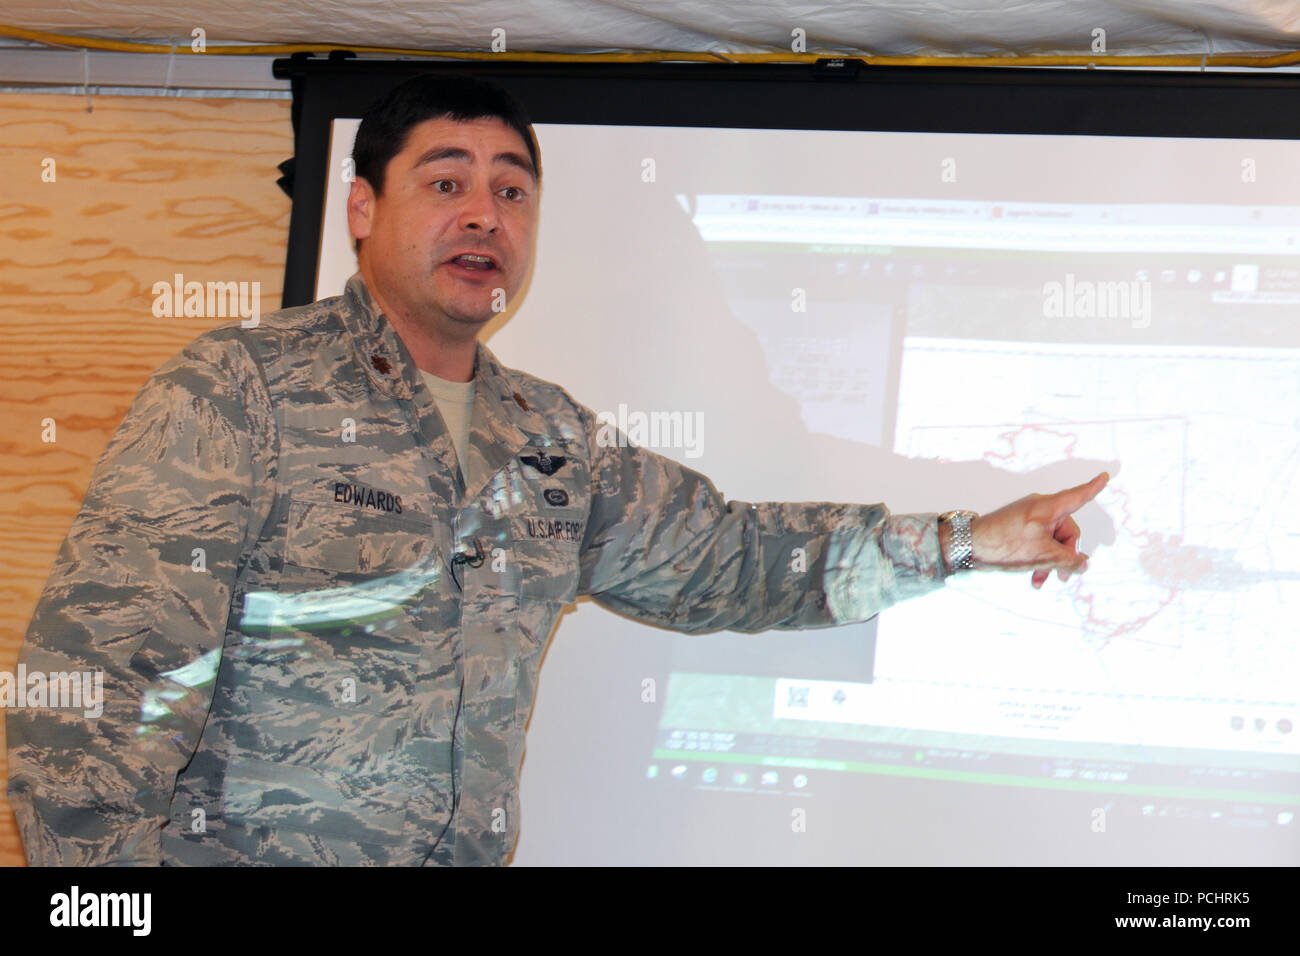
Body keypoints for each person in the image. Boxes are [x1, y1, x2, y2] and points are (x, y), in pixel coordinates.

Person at [6, 74, 1108, 867]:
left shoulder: (552, 440)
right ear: (361, 210)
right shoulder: (237, 389)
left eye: (513, 189)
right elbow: (93, 687)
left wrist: (968, 540)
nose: (484, 210)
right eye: (445, 181)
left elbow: (730, 558)